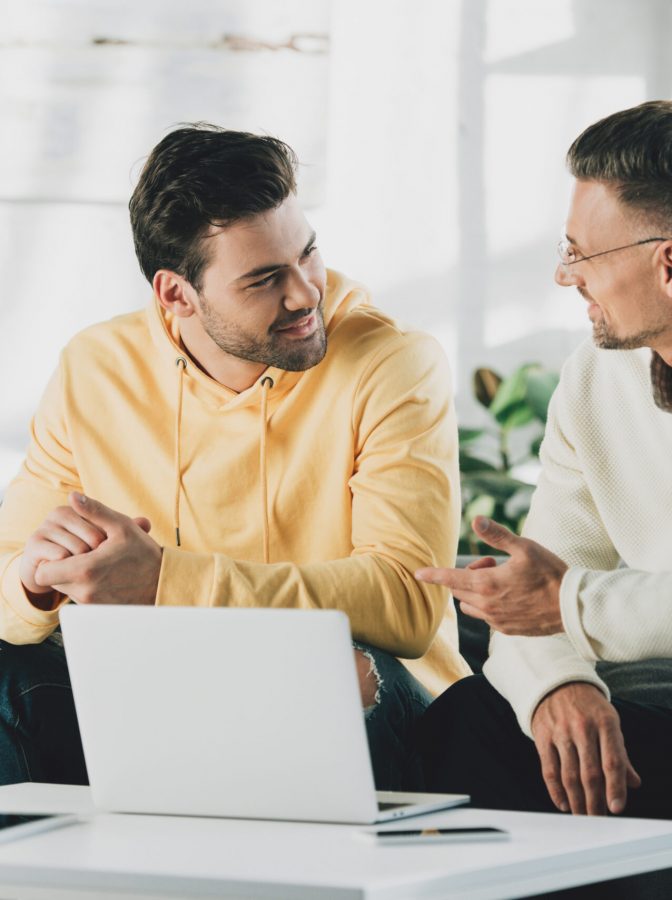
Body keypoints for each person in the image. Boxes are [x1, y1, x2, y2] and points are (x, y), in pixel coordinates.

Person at [0, 124, 470, 791]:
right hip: (162, 695)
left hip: (369, 700)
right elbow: (7, 567)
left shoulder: (392, 364)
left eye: (309, 255)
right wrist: (36, 576)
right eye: (264, 280)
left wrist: (166, 582)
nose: (307, 294)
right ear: (175, 294)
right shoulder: (95, 367)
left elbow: (405, 601)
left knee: (341, 669)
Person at [415, 100, 672, 898]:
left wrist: (573, 606)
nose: (565, 275)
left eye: (580, 253)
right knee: (476, 721)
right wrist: (559, 683)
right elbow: (538, 598)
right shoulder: (596, 378)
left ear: (670, 265)